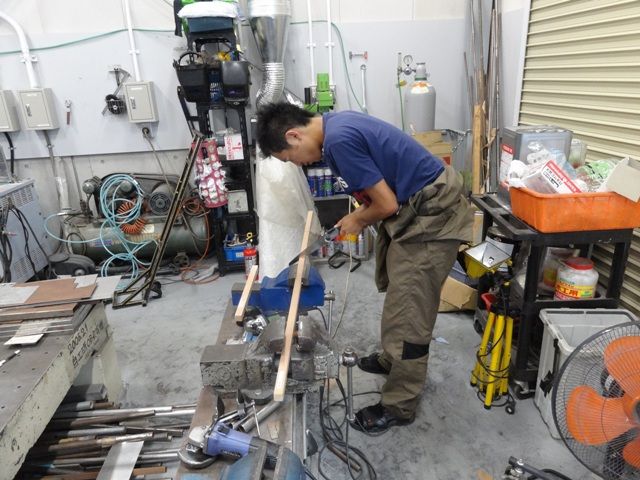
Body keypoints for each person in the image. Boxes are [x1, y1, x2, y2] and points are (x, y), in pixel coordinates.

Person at [256, 103, 473, 433]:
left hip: (432, 216)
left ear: (294, 136)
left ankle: (400, 404)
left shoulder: (339, 142)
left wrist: (358, 219)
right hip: (416, 208)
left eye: (290, 158)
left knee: (411, 311)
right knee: (399, 293)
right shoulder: (334, 129)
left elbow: (386, 204)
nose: (298, 164)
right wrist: (359, 213)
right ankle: (392, 360)